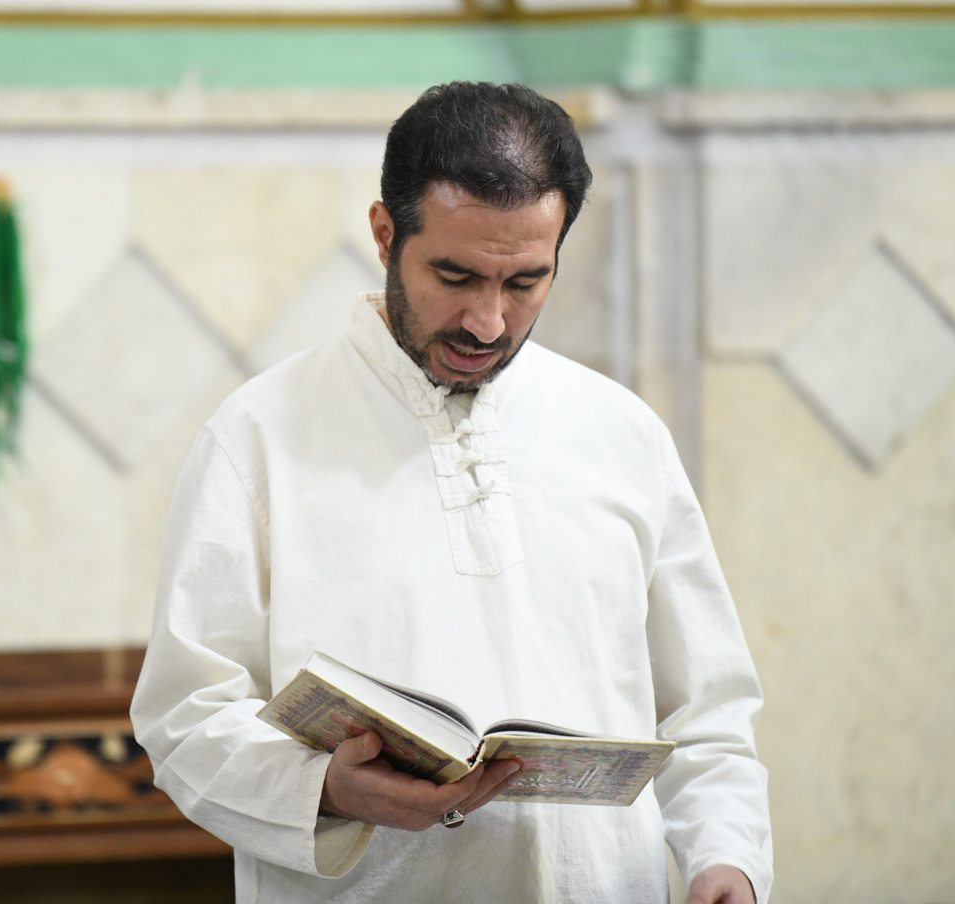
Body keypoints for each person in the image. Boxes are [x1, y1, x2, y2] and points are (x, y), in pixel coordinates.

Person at [130, 82, 772, 903]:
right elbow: (185, 717)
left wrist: (727, 858)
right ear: (385, 233)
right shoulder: (257, 437)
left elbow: (708, 709)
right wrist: (324, 790)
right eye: (455, 275)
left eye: (525, 282)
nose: (487, 322)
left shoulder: (624, 434)